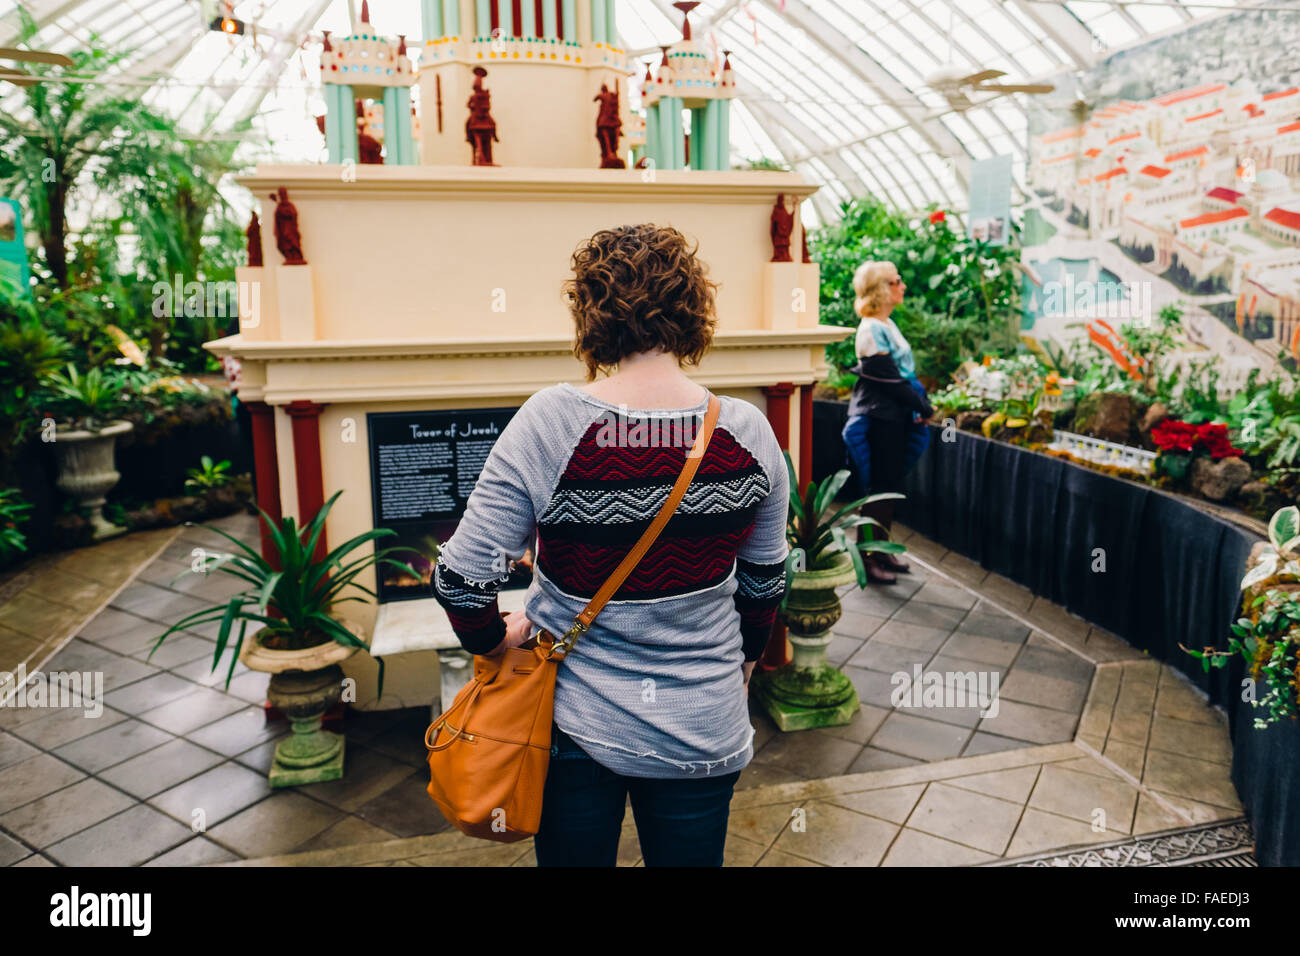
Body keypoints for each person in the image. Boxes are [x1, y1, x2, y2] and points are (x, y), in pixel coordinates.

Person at [432, 224, 789, 867]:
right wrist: (743, 664)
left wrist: (494, 640)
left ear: (589, 314)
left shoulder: (552, 422)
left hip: (570, 725)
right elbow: (764, 584)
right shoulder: (748, 431)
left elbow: (461, 580)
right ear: (692, 310)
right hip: (702, 723)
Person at [842, 260, 933, 584]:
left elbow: (898, 378)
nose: (903, 286)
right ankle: (867, 559)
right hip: (881, 418)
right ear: (881, 288)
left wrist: (919, 405)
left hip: (894, 416)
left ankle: (881, 551)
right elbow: (890, 380)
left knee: (890, 489)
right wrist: (922, 404)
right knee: (879, 490)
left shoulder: (885, 324)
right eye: (896, 281)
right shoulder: (870, 329)